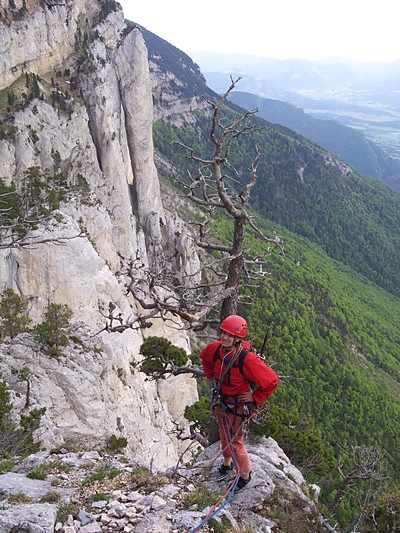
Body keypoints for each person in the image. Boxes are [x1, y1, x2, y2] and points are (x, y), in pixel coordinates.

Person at [200, 314, 279, 491]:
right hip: (222, 402)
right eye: (223, 333)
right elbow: (205, 357)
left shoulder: (246, 359)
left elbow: (272, 380)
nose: (225, 337)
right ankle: (227, 464)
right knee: (224, 433)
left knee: (236, 441)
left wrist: (255, 396)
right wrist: (211, 376)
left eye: (230, 335)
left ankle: (245, 475)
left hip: (237, 406)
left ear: (238, 338)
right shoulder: (216, 349)